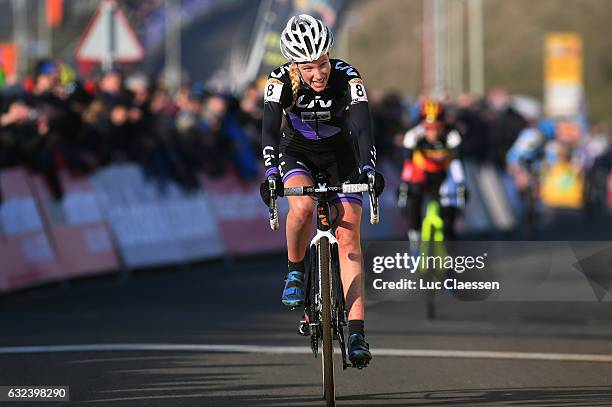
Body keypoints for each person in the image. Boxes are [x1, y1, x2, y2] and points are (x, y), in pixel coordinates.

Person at [259, 14, 384, 368]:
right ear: (295, 64)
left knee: (348, 239)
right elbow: (268, 129)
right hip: (296, 151)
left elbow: (363, 130)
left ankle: (357, 331)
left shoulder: (348, 76)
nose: (319, 73)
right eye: (309, 67)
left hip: (341, 156)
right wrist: (270, 172)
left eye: (323, 63)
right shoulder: (279, 80)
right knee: (300, 206)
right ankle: (295, 270)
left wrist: (370, 168)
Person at [397, 100, 466, 243]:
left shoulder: (452, 135)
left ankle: (449, 242)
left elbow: (456, 164)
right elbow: (408, 165)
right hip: (422, 174)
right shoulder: (413, 136)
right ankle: (414, 236)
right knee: (413, 197)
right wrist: (404, 187)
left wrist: (460, 185)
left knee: (450, 207)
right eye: (428, 128)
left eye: (436, 128)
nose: (432, 132)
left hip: (443, 175)